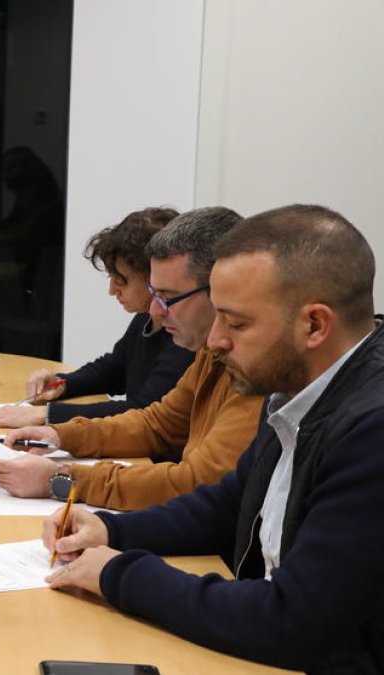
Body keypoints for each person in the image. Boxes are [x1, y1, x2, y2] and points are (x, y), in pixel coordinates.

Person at [42, 205, 382, 673]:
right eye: (218, 318)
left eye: (237, 324)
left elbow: (294, 620)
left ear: (314, 325)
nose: (216, 339)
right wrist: (114, 530)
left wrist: (120, 572)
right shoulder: (291, 388)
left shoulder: (371, 431)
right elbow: (230, 503)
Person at [0, 207, 263, 511]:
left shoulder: (258, 370)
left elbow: (196, 482)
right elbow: (157, 423)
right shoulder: (211, 351)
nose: (156, 311)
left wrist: (64, 478)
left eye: (167, 297)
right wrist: (59, 433)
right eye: (154, 295)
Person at [0, 207, 193, 428]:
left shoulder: (186, 335)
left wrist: (48, 415)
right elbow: (115, 368)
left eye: (121, 281)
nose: (111, 290)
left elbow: (145, 409)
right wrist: (64, 383)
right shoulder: (146, 316)